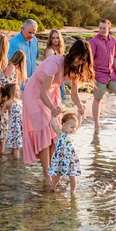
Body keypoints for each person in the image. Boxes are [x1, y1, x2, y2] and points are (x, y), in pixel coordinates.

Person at [22, 39, 94, 185]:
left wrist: (80, 106)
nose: (80, 62)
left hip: (52, 94)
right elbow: (42, 92)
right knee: (44, 131)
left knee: (54, 134)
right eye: (79, 58)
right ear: (73, 53)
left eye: (83, 60)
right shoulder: (54, 63)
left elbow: (74, 94)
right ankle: (47, 176)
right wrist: (52, 108)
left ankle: (54, 172)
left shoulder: (75, 69)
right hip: (36, 93)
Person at [48, 112, 82, 193]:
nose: (73, 129)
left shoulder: (70, 134)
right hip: (60, 160)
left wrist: (80, 115)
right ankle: (52, 189)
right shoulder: (60, 134)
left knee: (72, 176)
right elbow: (53, 125)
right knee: (57, 177)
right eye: (72, 127)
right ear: (64, 125)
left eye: (74, 128)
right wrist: (54, 117)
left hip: (70, 160)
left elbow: (79, 124)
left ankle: (72, 192)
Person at [0, 82, 23, 159]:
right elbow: (1, 113)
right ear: (12, 92)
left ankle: (13, 160)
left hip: (21, 125)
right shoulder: (8, 102)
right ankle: (16, 161)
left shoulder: (20, 101)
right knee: (16, 145)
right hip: (15, 126)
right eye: (17, 90)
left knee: (18, 144)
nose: (19, 92)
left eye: (19, 90)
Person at [44, 29, 66, 102]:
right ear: (50, 39)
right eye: (53, 38)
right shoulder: (50, 51)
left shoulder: (60, 50)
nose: (55, 40)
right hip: (52, 82)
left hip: (59, 81)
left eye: (57, 37)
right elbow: (49, 69)